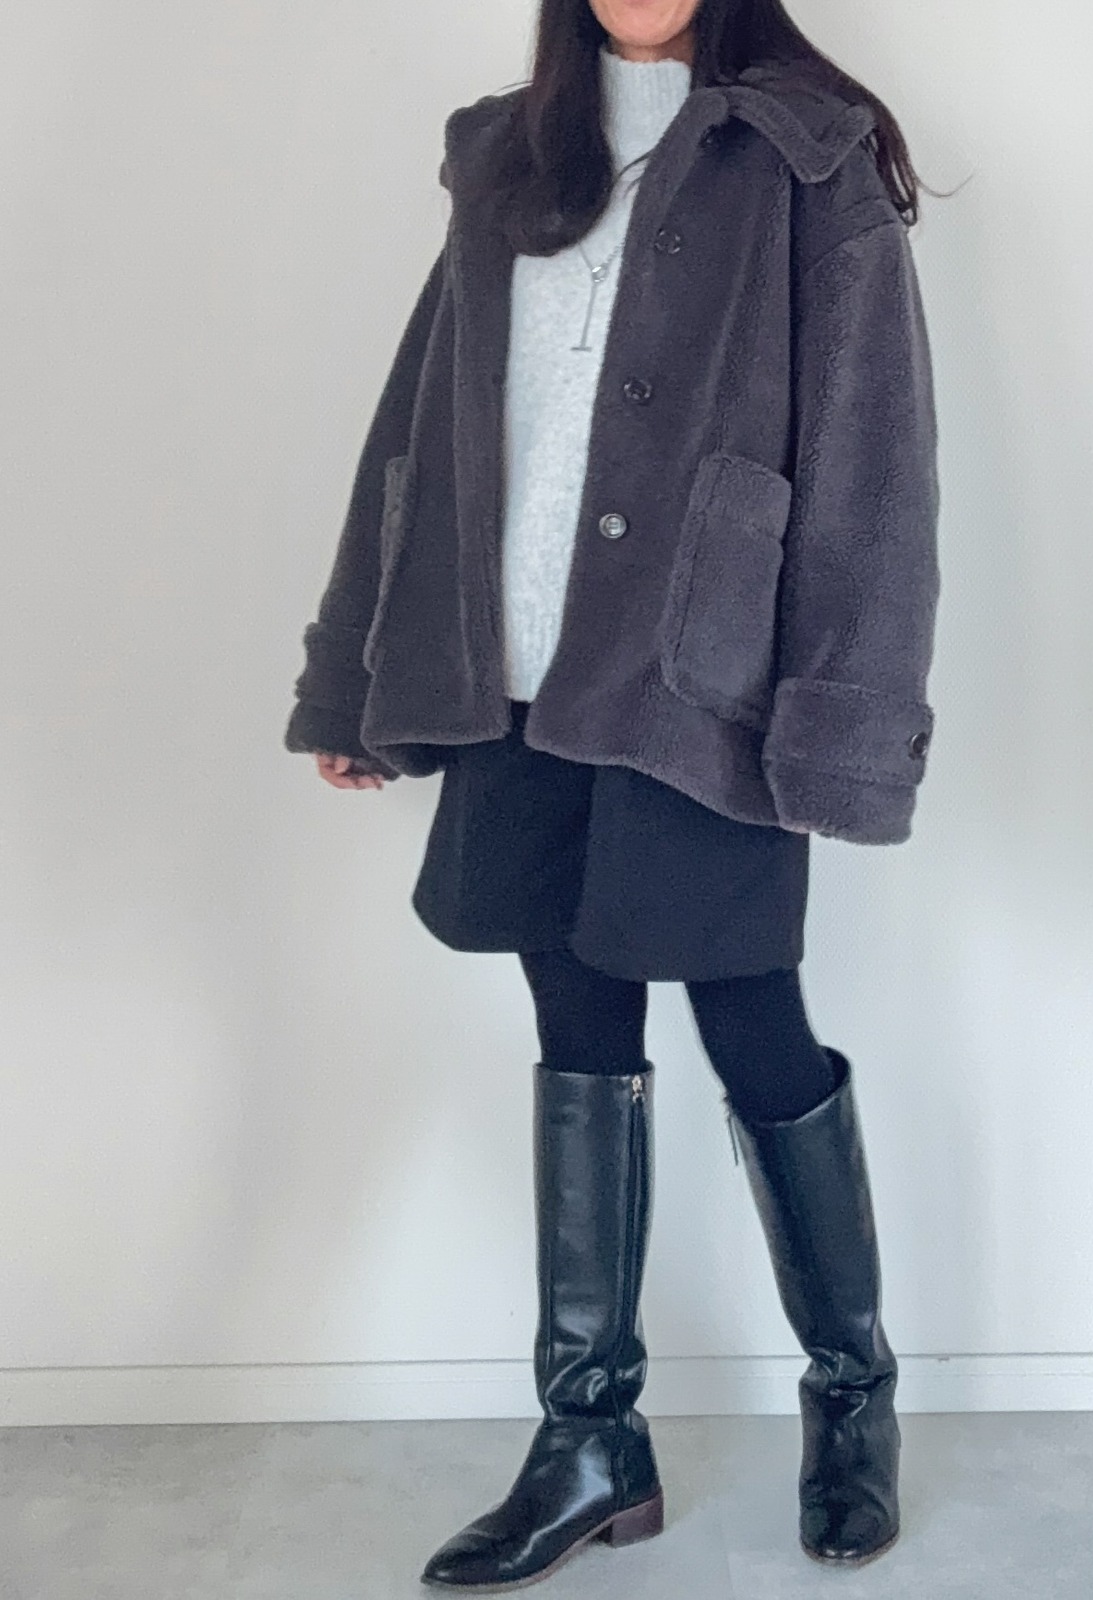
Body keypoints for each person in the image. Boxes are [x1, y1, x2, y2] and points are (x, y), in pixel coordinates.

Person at [284, 0, 942, 1589]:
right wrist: (357, 674)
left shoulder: (809, 155)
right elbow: (421, 424)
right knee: (576, 1023)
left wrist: (838, 719)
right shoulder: (508, 158)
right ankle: (590, 1440)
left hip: (697, 678)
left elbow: (874, 467)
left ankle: (853, 1394)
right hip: (512, 669)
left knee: (752, 1015)